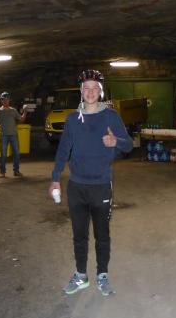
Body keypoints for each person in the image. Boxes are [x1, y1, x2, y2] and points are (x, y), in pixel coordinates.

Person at [49, 69, 133, 296]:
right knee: (79, 235)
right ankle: (81, 276)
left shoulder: (111, 116)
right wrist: (55, 178)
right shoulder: (72, 119)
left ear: (101, 91)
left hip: (101, 185)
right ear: (81, 91)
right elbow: (63, 150)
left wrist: (115, 141)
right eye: (86, 88)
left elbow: (128, 145)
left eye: (94, 88)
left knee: (102, 235)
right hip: (76, 186)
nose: (90, 92)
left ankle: (102, 275)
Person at [0, 91, 27, 177]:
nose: (5, 101)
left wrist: (25, 111)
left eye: (6, 99)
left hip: (13, 135)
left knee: (16, 153)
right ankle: (2, 172)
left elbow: (21, 119)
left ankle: (16, 171)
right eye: (3, 99)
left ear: (9, 100)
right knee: (3, 154)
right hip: (4, 135)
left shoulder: (13, 110)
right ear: (1, 100)